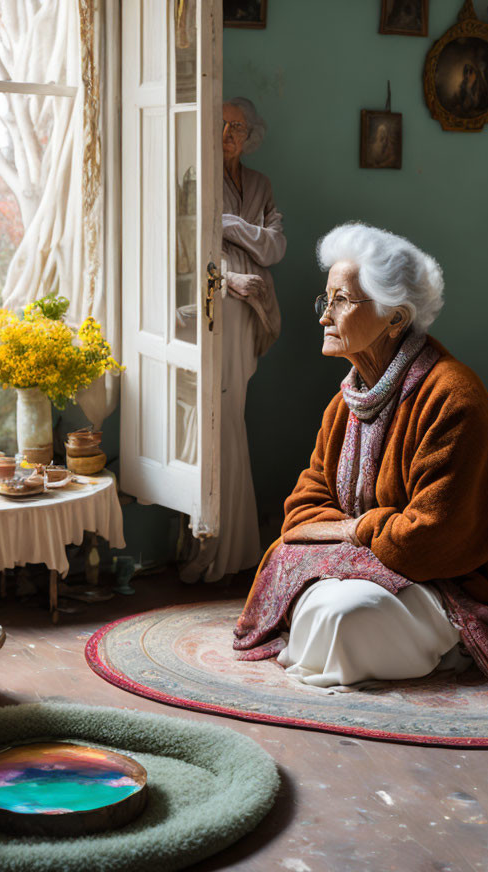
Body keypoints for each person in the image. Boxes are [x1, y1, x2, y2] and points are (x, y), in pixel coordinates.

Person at [231, 223, 488, 701]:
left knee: (338, 618)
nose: (323, 316)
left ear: (394, 318)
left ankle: (461, 646)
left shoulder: (454, 398)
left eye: (341, 301)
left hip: (467, 580)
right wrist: (367, 533)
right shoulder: (349, 401)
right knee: (314, 601)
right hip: (392, 559)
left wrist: (354, 530)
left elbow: (433, 539)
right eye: (325, 300)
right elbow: (301, 510)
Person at [179, 97, 285, 583]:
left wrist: (229, 225)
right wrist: (227, 282)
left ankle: (236, 548)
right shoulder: (193, 180)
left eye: (238, 127)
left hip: (250, 314)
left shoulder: (259, 184)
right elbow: (184, 253)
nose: (229, 134)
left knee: (233, 416)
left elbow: (276, 246)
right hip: (210, 309)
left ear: (251, 135)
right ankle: (212, 547)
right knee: (216, 420)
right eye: (221, 125)